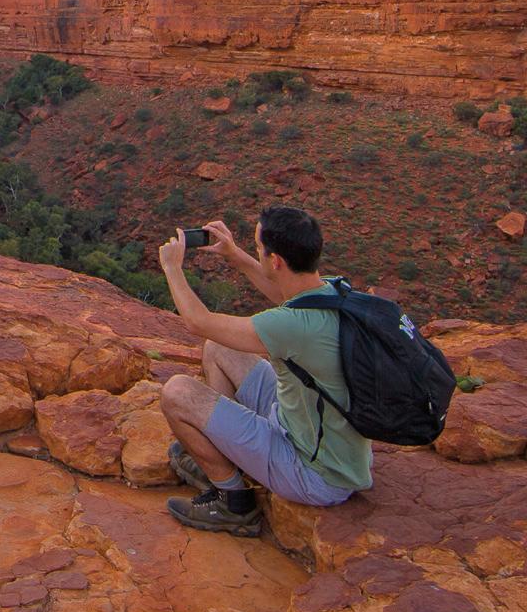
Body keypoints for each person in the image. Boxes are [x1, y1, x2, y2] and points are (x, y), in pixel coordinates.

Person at [153, 205, 370, 535]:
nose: (256, 252)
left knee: (177, 393)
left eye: (258, 248)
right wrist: (235, 255)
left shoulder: (291, 325)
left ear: (276, 261)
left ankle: (233, 501)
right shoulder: (333, 291)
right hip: (328, 443)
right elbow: (281, 293)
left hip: (313, 472)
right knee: (220, 348)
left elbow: (199, 322)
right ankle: (220, 451)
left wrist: (171, 268)